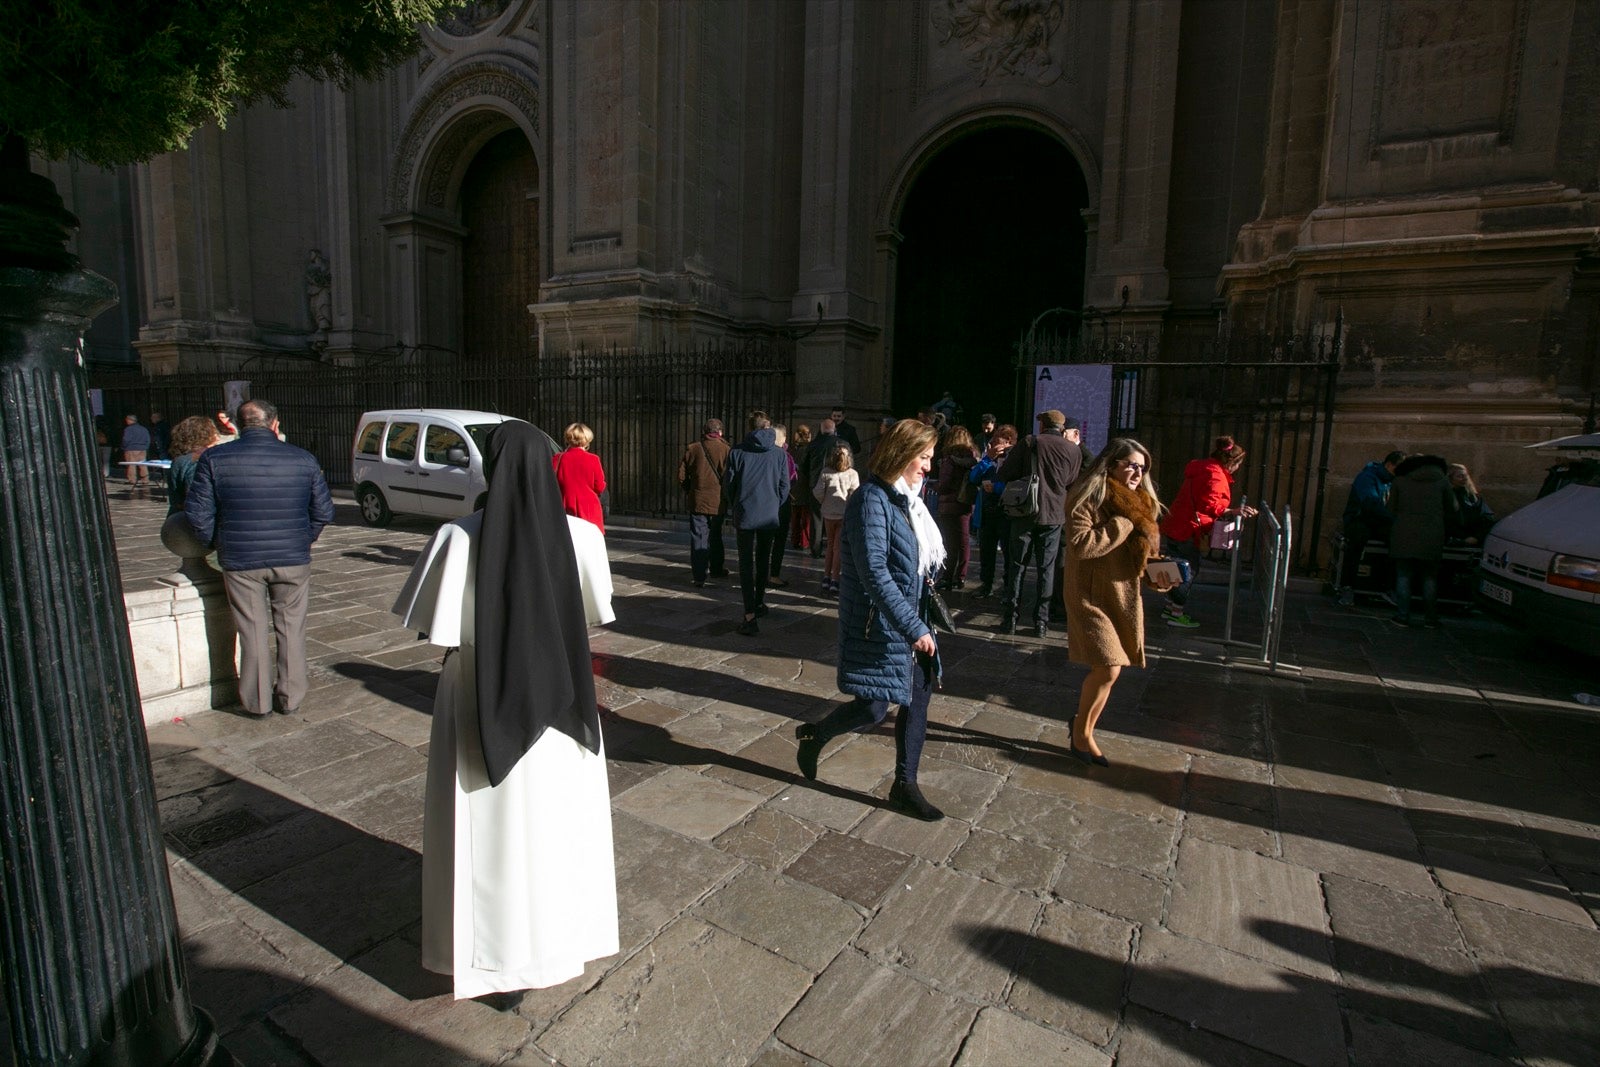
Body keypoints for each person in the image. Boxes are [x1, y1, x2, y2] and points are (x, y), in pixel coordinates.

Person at [392, 420, 618, 999]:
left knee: (487, 832)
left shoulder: (457, 536)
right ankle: (560, 939)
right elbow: (594, 611)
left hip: (475, 690)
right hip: (564, 696)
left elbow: (431, 625)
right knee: (557, 826)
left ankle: (491, 954)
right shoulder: (584, 538)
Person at [794, 418, 947, 820]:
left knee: (917, 700)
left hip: (912, 618)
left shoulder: (908, 500)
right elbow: (873, 571)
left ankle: (904, 784)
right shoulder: (870, 500)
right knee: (873, 708)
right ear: (902, 454)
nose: (928, 467)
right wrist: (912, 627)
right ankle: (815, 735)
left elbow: (911, 562)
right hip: (881, 623)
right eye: (924, 457)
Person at [185, 399, 334, 717]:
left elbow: (198, 514)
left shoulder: (214, 458)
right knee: (292, 627)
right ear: (275, 424)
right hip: (292, 557)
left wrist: (218, 542)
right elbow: (323, 512)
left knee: (251, 631)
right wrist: (302, 539)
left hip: (241, 559)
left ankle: (257, 702)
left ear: (237, 426)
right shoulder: (303, 459)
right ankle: (290, 698)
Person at [1063, 439, 1175, 766]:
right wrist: (1123, 523)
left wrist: (1160, 576)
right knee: (1110, 666)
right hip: (1089, 594)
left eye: (1142, 467)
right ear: (1110, 464)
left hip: (1123, 595)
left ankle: (1082, 726)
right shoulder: (1087, 498)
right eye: (1130, 464)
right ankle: (1082, 736)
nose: (1137, 472)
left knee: (1110, 671)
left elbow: (1144, 557)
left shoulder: (1144, 505)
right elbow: (1082, 545)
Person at [994, 409, 1082, 637]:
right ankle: (1041, 622)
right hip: (1054, 516)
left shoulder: (1030, 442)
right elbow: (1071, 480)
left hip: (1025, 511)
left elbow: (1005, 474)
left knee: (1017, 566)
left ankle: (1010, 619)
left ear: (1042, 425)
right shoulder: (1073, 449)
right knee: (1046, 569)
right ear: (1062, 428)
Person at [1158, 435, 1257, 629]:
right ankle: (1177, 611)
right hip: (1189, 528)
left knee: (1174, 566)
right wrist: (1233, 511)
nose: (1238, 469)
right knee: (1188, 570)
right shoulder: (1216, 475)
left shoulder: (1201, 467)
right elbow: (1210, 505)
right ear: (1231, 462)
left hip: (1175, 524)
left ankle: (1170, 606)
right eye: (1238, 464)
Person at [724, 411, 789, 635]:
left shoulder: (737, 452)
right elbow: (784, 486)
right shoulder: (779, 454)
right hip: (769, 514)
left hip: (745, 513)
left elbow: (729, 485)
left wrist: (737, 503)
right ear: (768, 427)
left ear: (750, 428)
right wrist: (774, 504)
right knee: (763, 560)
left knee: (745, 563)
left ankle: (749, 613)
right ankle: (759, 602)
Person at [1388, 454, 1456, 627]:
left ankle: (1402, 616)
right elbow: (1453, 508)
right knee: (1430, 578)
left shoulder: (1400, 481)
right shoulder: (1442, 481)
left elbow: (1390, 508)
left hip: (1403, 534)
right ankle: (1430, 618)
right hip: (1432, 536)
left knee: (1403, 575)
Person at [1337, 449, 1404, 605]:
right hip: (1359, 519)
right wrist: (1393, 518)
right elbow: (1370, 503)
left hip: (1378, 520)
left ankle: (1387, 587)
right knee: (1356, 541)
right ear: (1389, 465)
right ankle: (1347, 587)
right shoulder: (1367, 477)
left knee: (1398, 540)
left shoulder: (1391, 481)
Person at [678, 418, 732, 587]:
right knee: (716, 535)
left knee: (699, 537)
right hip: (718, 502)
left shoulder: (693, 448)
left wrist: (690, 489)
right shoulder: (727, 450)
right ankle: (716, 569)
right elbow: (730, 477)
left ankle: (699, 575)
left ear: (704, 431)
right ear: (720, 432)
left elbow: (681, 475)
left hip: (698, 500)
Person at [970, 423, 1018, 598]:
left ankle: (1007, 587)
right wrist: (987, 459)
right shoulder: (988, 459)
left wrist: (997, 488)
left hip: (1005, 514)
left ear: (1008, 442)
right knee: (986, 551)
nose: (992, 445)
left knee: (1008, 553)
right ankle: (986, 584)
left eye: (997, 441)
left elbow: (1015, 484)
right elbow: (973, 477)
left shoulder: (1014, 459)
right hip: (986, 513)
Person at [934, 425, 980, 590]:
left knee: (950, 542)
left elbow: (944, 484)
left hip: (948, 503)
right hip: (965, 502)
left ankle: (947, 576)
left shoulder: (949, 458)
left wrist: (935, 487)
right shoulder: (972, 458)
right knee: (964, 541)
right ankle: (960, 576)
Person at [812, 444, 859, 596]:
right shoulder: (852, 474)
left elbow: (818, 491)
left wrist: (824, 502)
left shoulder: (826, 472)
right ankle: (834, 579)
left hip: (828, 513)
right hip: (843, 513)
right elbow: (855, 494)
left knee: (830, 545)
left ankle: (826, 576)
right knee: (838, 548)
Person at [803, 417, 848, 558]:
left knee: (817, 518)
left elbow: (804, 466)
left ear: (821, 431)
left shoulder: (813, 445)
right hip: (837, 486)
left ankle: (815, 549)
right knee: (836, 517)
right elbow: (849, 464)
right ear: (834, 430)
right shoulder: (842, 444)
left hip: (816, 484)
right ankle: (834, 548)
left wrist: (811, 478)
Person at [553, 422, 607, 534]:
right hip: (589, 507)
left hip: (565, 505)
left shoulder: (558, 458)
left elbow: (552, 483)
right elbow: (599, 487)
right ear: (587, 440)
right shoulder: (593, 459)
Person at [164, 415, 221, 517]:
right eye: (214, 432)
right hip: (193, 520)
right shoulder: (198, 460)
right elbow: (198, 498)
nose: (218, 437)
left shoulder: (182, 458)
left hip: (178, 516)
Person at [768, 424, 797, 588]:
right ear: (784, 438)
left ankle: (762, 571)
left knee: (765, 541)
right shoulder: (786, 457)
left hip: (765, 503)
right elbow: (791, 480)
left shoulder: (763, 454)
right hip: (780, 503)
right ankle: (774, 574)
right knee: (779, 541)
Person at [1447, 463, 1495, 544]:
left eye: (1465, 476)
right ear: (1450, 478)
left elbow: (1487, 518)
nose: (1464, 479)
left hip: (1473, 540)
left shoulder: (1473, 497)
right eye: (1460, 476)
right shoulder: (1447, 497)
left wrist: (1476, 537)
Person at [787, 423, 815, 554]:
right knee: (806, 517)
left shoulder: (792, 449)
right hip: (805, 485)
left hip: (794, 485)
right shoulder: (810, 449)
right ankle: (805, 541)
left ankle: (794, 540)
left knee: (795, 516)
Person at [121, 413, 152, 485]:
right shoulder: (143, 428)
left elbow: (126, 439)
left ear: (129, 420)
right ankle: (145, 479)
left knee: (131, 464)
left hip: (131, 448)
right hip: (142, 449)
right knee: (143, 464)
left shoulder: (128, 429)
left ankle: (132, 480)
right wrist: (146, 447)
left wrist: (124, 447)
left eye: (127, 420)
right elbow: (148, 439)